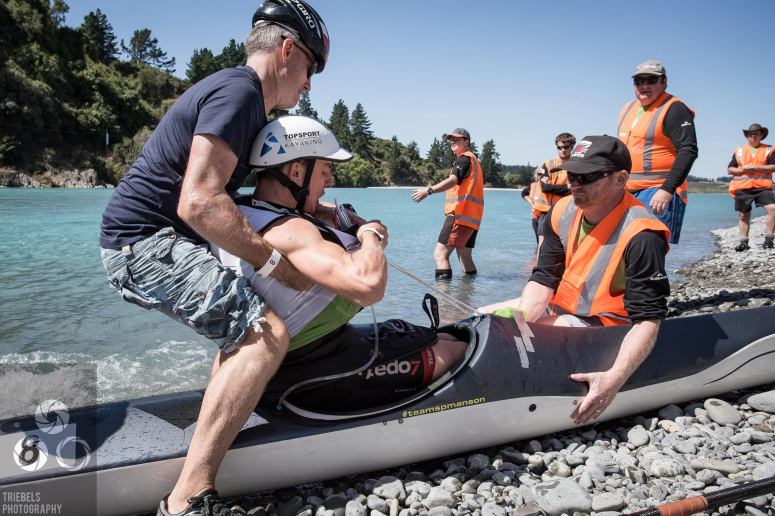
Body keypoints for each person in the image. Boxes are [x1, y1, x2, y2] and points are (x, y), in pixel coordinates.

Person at [98, 2, 331, 514]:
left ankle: (219, 423)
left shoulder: (242, 98)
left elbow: (253, 193)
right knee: (265, 335)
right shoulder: (241, 91)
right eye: (312, 67)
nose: (310, 83)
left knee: (243, 327)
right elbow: (200, 201)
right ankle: (187, 498)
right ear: (288, 50)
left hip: (149, 238)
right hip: (143, 243)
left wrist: (329, 211)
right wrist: (275, 263)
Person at [211, 115, 467, 412]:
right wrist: (369, 232)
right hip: (304, 368)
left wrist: (327, 211)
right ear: (296, 171)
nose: (330, 181)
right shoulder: (292, 230)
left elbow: (307, 212)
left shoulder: (241, 210)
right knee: (455, 349)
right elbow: (369, 285)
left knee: (442, 335)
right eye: (325, 170)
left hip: (310, 347)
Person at [480, 136, 670, 425]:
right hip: (564, 311)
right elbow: (544, 279)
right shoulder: (562, 211)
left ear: (620, 179)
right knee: (480, 320)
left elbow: (648, 320)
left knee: (509, 345)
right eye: (572, 175)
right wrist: (520, 318)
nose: (574, 184)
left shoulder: (643, 236)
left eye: (588, 176)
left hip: (606, 327)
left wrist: (614, 379)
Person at [616, 59, 698, 244]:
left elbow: (688, 150)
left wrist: (667, 189)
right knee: (624, 248)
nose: (644, 85)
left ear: (664, 82)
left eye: (651, 80)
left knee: (650, 249)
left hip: (658, 191)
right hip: (626, 191)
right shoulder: (627, 108)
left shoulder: (674, 108)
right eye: (639, 81)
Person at [411, 128, 484, 279]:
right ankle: (468, 296)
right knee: (465, 257)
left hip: (460, 215)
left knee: (440, 255)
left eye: (457, 139)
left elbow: (452, 180)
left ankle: (444, 299)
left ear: (466, 141)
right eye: (452, 139)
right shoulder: (474, 161)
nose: (453, 142)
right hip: (472, 219)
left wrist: (429, 190)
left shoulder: (464, 159)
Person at [726, 123, 775, 251]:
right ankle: (743, 243)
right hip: (743, 187)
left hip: (763, 188)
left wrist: (756, 168)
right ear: (747, 136)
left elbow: (773, 166)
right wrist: (742, 170)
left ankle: (769, 239)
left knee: (773, 209)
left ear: (762, 135)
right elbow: (730, 170)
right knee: (743, 215)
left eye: (756, 133)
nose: (753, 136)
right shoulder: (739, 151)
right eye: (750, 134)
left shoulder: (769, 150)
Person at [527, 132, 574, 244]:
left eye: (566, 147)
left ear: (572, 147)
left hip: (566, 212)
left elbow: (574, 189)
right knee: (542, 245)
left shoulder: (576, 166)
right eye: (559, 147)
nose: (562, 150)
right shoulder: (548, 164)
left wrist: (555, 187)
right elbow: (545, 188)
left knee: (564, 245)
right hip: (545, 212)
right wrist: (567, 187)